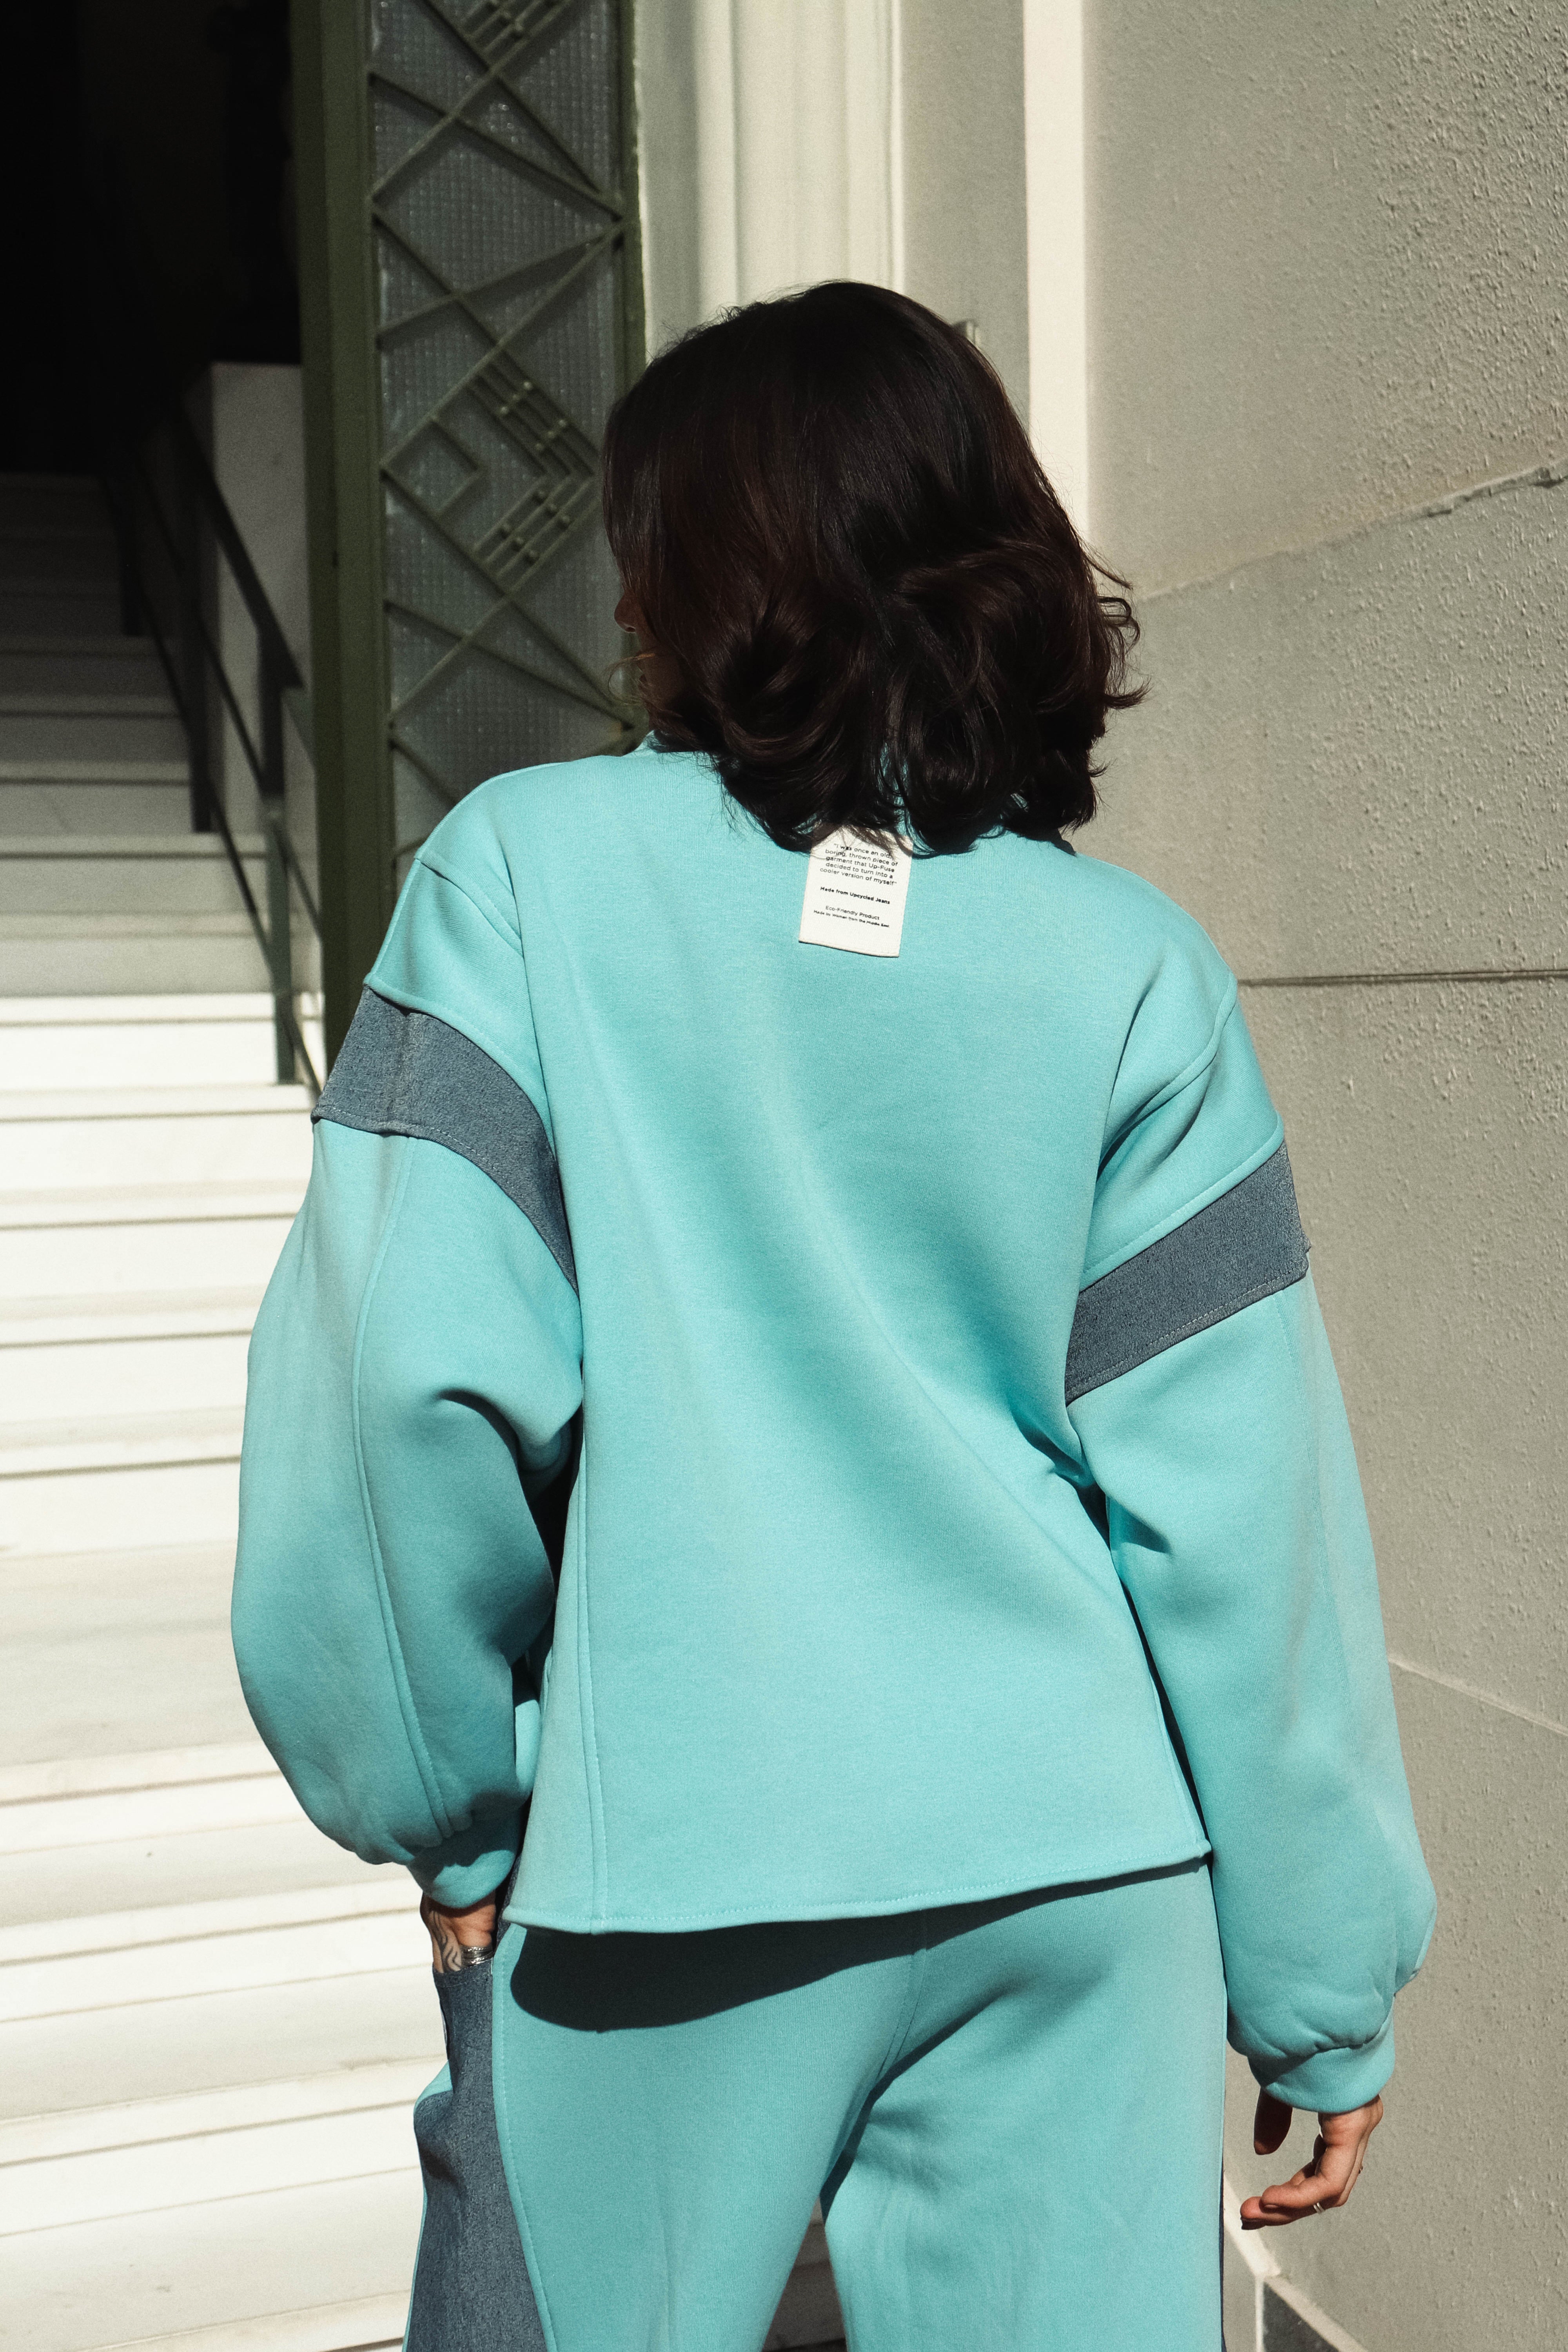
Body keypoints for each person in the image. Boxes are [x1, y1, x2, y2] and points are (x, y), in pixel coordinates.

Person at [233, 281, 1435, 2352]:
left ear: (699, 569)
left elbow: (396, 1394)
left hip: (667, 1865)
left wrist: (442, 1800)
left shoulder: (522, 876)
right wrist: (1322, 1984)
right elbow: (1252, 1523)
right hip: (1080, 1873)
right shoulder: (1133, 970)